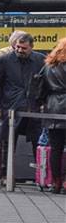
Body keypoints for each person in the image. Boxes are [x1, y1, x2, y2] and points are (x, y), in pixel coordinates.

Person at [0, 32, 45, 186]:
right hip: (10, 107)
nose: (20, 50)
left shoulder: (40, 59)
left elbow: (44, 82)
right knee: (8, 143)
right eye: (18, 47)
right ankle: (5, 175)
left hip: (33, 107)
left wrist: (42, 102)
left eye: (24, 48)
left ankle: (40, 177)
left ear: (31, 47)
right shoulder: (4, 60)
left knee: (38, 142)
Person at [30, 37, 66, 194]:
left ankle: (56, 182)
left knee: (55, 149)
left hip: (52, 108)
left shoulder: (48, 65)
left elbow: (39, 88)